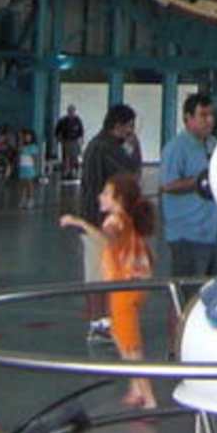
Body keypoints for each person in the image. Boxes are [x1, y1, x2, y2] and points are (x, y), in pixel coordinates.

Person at [62, 174, 158, 406]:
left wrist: (80, 223)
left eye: (106, 193)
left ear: (119, 199)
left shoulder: (114, 221)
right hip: (134, 286)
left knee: (130, 347)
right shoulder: (128, 219)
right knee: (119, 334)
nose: (100, 197)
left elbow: (106, 240)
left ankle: (148, 398)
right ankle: (136, 388)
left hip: (124, 288)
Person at [160, 93, 217, 275]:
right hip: (187, 236)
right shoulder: (176, 148)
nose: (209, 120)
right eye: (203, 115)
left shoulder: (215, 144)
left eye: (211, 115)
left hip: (215, 234)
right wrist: (199, 181)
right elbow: (167, 185)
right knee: (190, 288)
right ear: (188, 118)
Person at [79, 104, 141, 213]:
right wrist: (133, 150)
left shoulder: (107, 144)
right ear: (118, 126)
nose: (132, 131)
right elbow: (129, 176)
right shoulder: (103, 148)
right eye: (130, 126)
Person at [55, 103, 86, 181]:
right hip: (66, 140)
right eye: (70, 111)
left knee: (74, 157)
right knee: (66, 157)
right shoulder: (63, 120)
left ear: (74, 111)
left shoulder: (77, 120)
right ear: (67, 111)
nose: (71, 112)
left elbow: (81, 131)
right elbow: (57, 130)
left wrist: (81, 139)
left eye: (72, 111)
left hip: (75, 141)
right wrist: (59, 139)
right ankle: (66, 172)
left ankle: (73, 172)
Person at [16, 128, 42, 203]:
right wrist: (20, 139)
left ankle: (30, 199)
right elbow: (19, 151)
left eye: (28, 136)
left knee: (29, 184)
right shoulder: (22, 146)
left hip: (29, 167)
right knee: (22, 184)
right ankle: (23, 198)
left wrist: (36, 167)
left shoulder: (33, 146)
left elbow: (35, 158)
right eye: (25, 137)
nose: (27, 138)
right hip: (22, 167)